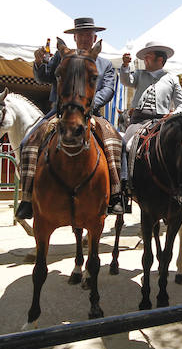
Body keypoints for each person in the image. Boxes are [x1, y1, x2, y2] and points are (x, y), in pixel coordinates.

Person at [16, 17, 122, 220]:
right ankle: (27, 198)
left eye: (88, 35)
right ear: (74, 37)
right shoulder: (60, 56)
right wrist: (39, 63)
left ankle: (116, 195)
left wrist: (87, 106)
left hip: (91, 112)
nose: (84, 38)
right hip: (59, 112)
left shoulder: (105, 64)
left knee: (117, 143)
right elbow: (44, 77)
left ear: (95, 38)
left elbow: (108, 89)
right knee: (27, 143)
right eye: (80, 34)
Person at [118, 40, 182, 193]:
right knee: (124, 145)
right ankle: (123, 185)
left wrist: (171, 115)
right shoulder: (139, 74)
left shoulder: (172, 79)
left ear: (160, 60)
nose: (145, 60)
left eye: (148, 57)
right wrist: (124, 66)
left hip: (161, 122)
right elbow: (125, 80)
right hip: (138, 120)